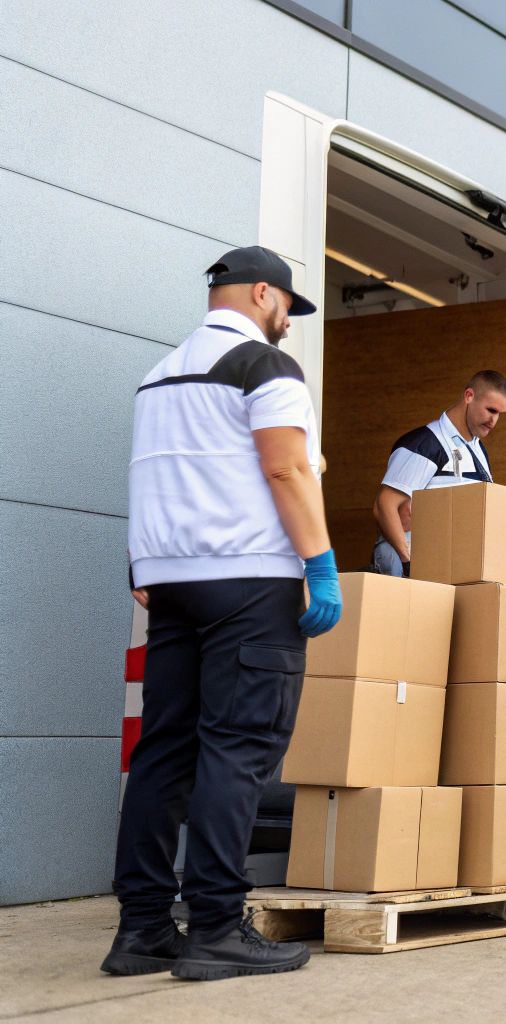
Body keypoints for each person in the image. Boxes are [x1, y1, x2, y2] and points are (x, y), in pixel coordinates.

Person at [111, 245, 342, 980]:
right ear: (264, 296)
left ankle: (143, 928)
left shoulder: (160, 375)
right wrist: (321, 564)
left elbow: (161, 471)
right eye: (286, 309)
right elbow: (283, 465)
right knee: (238, 749)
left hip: (172, 583)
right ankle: (215, 925)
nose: (286, 323)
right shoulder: (266, 368)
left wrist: (144, 561)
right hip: (247, 582)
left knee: (165, 750)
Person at [368, 371, 506, 576]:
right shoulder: (425, 444)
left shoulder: (479, 449)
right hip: (419, 570)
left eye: (499, 414)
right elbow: (384, 506)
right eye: (490, 410)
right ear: (469, 396)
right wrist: (409, 564)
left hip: (459, 569)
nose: (493, 420)